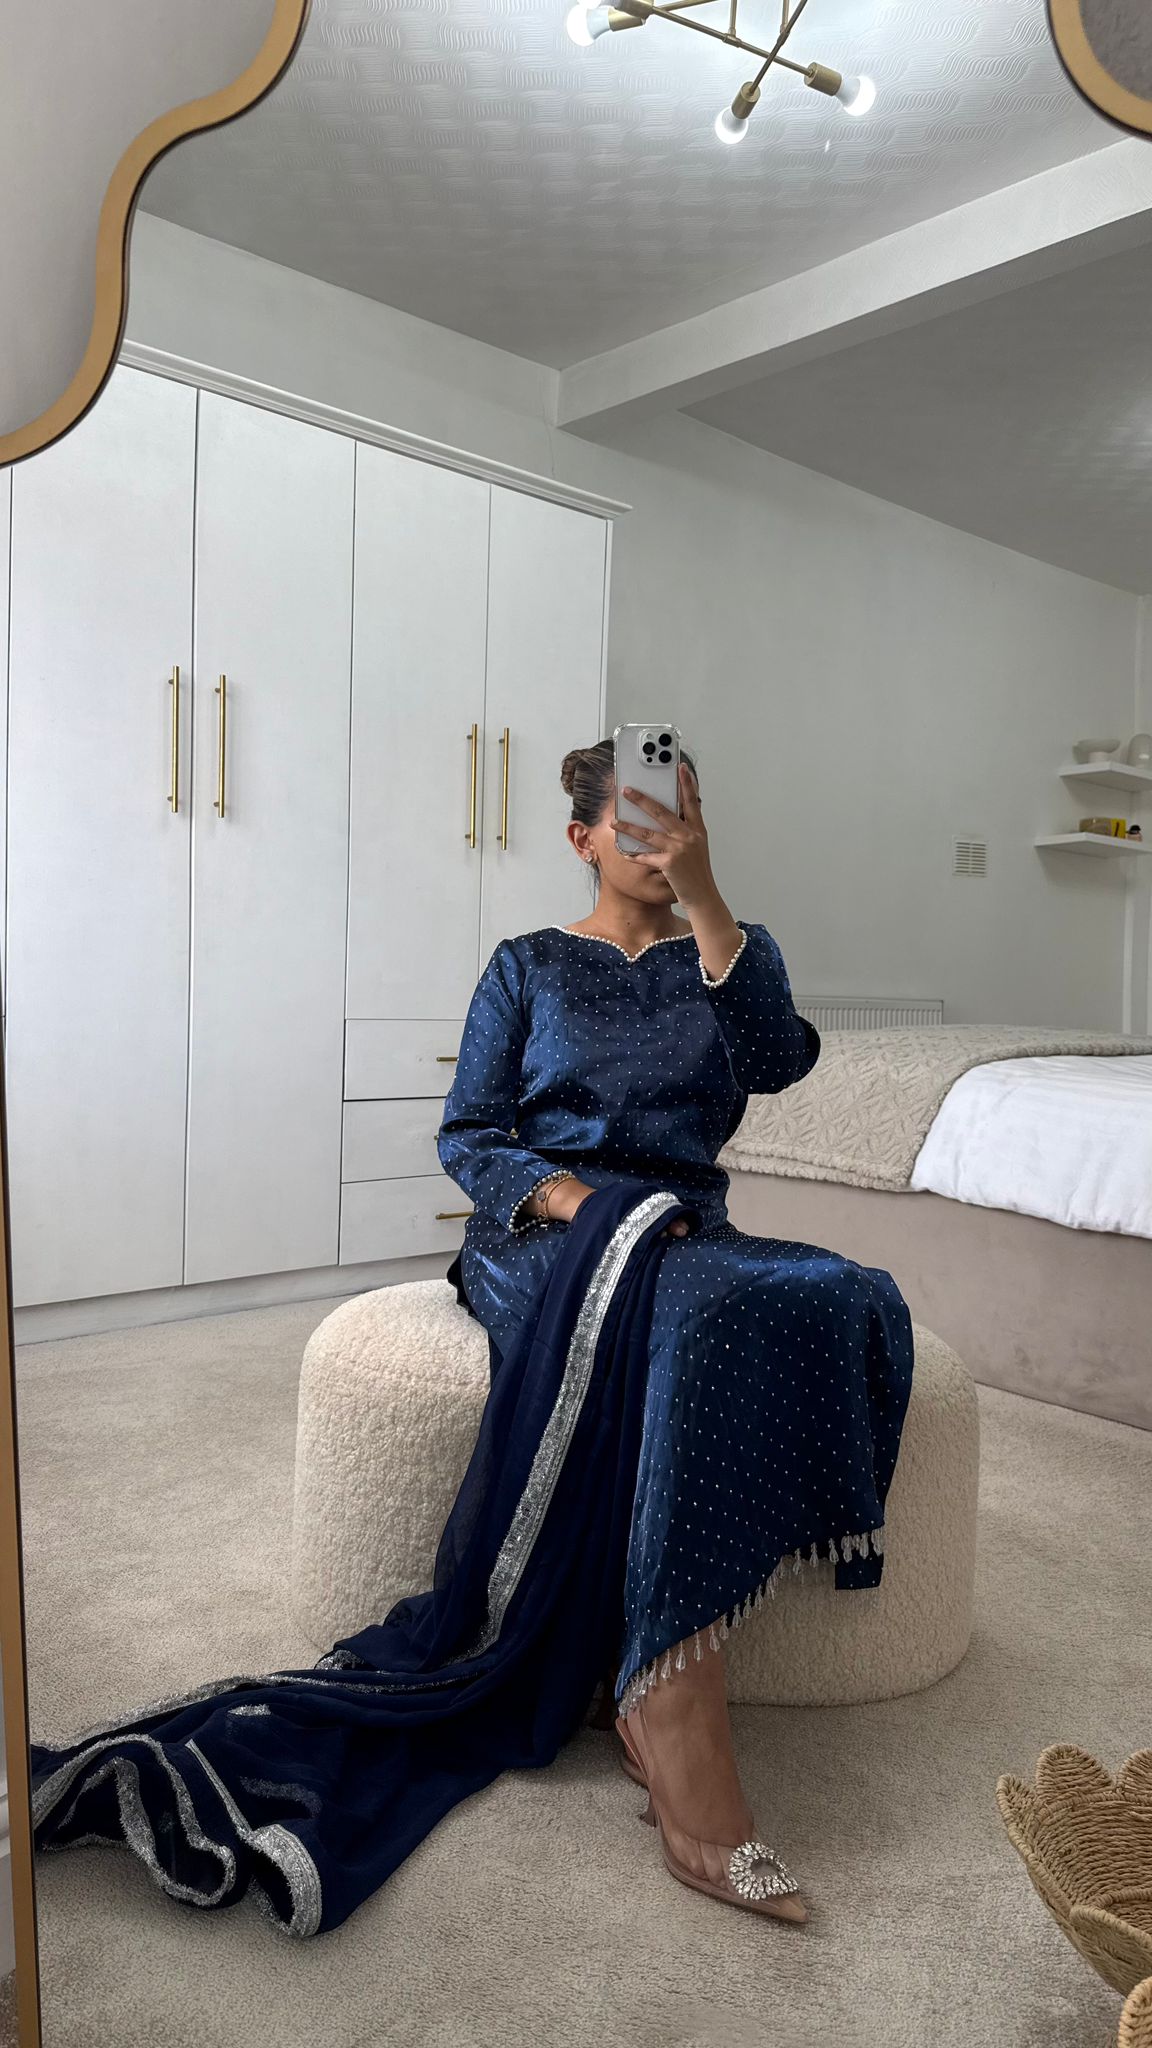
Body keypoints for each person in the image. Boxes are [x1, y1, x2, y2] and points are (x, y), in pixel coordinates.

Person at [437, 739, 915, 1922]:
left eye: (683, 817)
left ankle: (653, 1667)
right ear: (582, 837)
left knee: (843, 1288)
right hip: (552, 1233)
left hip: (687, 1228)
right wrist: (573, 1199)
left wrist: (708, 900)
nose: (661, 837)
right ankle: (673, 1703)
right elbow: (471, 1133)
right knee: (694, 1310)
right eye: (639, 819)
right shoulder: (529, 964)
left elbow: (770, 1060)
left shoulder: (730, 951)